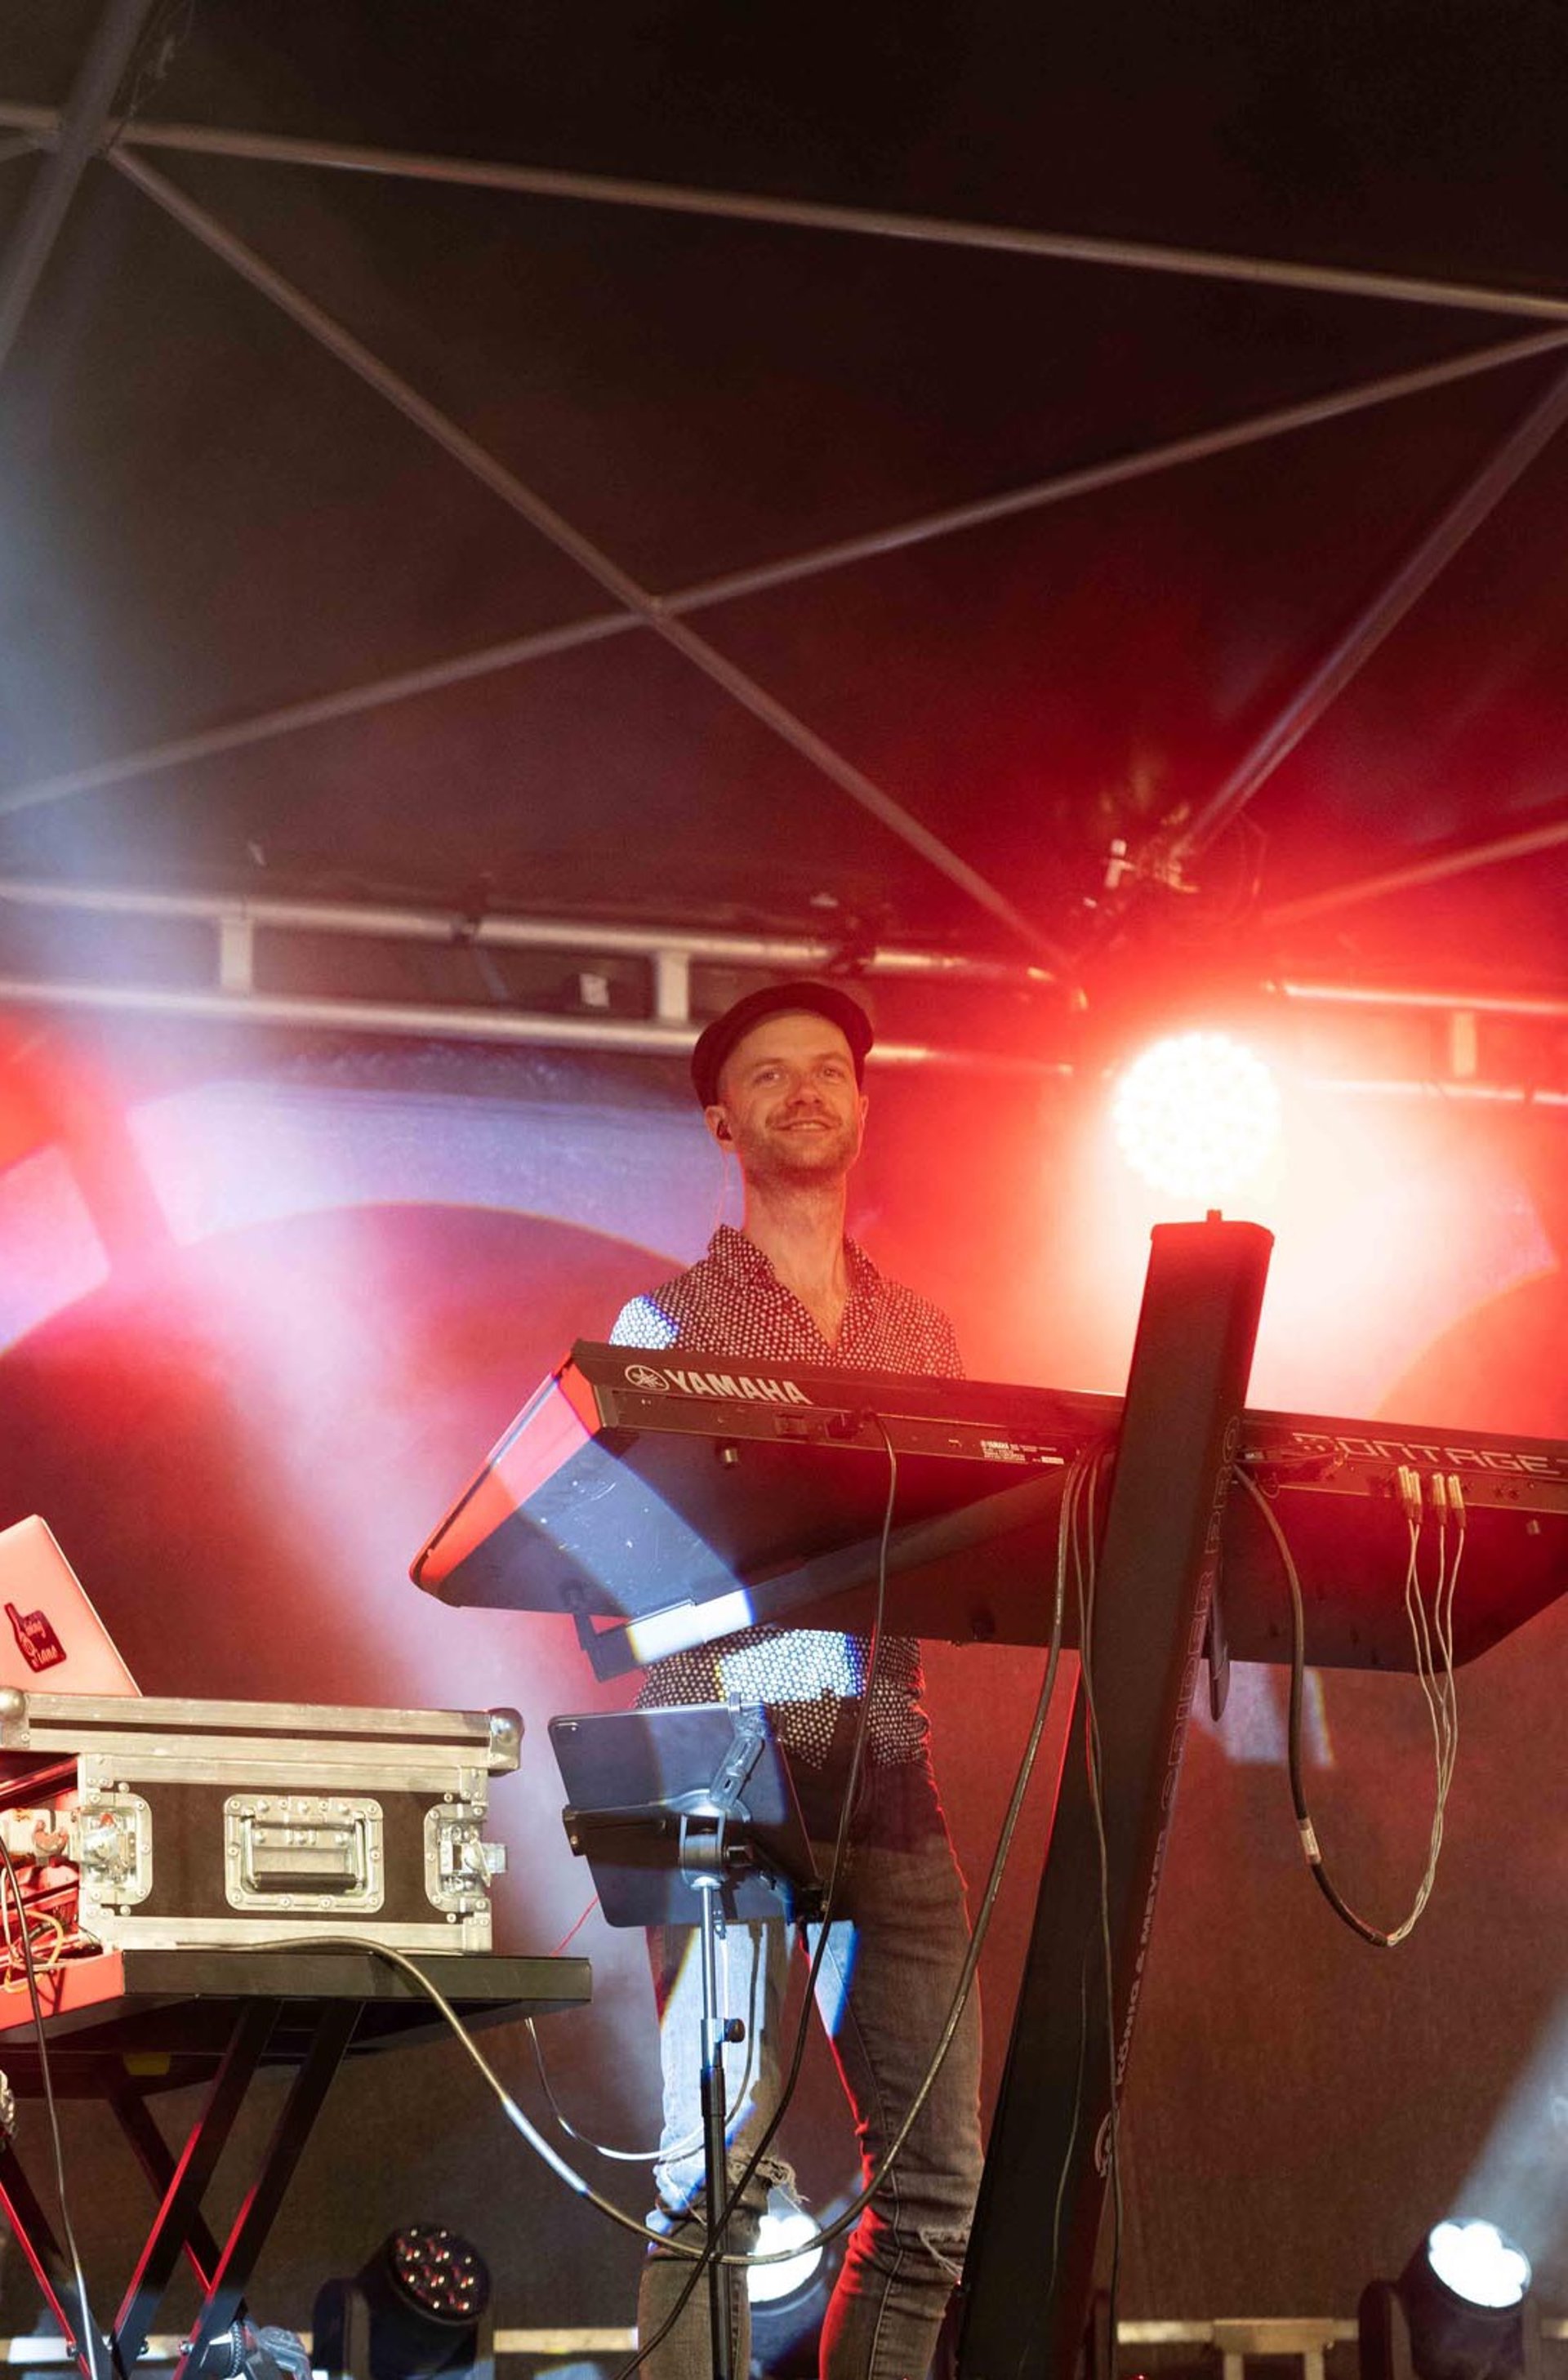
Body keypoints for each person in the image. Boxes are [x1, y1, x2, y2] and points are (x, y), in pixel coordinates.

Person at [610, 981, 983, 2380]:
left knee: (938, 2193)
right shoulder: (666, 1320)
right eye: (771, 1077)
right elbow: (628, 1574)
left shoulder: (923, 1337)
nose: (807, 1092)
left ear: (865, 1106)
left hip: (891, 1769)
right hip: (722, 1769)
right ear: (726, 1121)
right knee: (716, 2188)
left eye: (829, 1070)